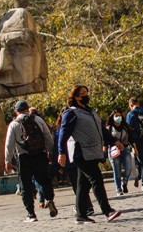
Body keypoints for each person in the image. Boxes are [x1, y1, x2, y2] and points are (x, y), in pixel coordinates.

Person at [57, 85, 123, 224]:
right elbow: (63, 134)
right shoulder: (71, 113)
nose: (86, 96)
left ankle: (81, 215)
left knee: (83, 184)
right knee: (97, 179)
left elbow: (101, 130)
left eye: (87, 93)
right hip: (81, 152)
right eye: (82, 94)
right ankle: (107, 211)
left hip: (92, 151)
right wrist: (61, 152)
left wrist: (114, 141)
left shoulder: (90, 111)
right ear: (75, 97)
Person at [5, 100, 57, 223]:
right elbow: (48, 137)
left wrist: (7, 160)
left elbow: (9, 144)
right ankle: (49, 200)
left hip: (23, 158)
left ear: (16, 111)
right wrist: (51, 153)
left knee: (26, 186)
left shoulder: (14, 124)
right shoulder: (38, 120)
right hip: (40, 155)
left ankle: (31, 214)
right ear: (28, 109)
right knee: (44, 180)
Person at [107, 110, 135, 196]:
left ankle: (125, 183)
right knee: (117, 171)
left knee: (128, 168)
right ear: (112, 117)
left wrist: (135, 149)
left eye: (119, 115)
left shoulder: (125, 127)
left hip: (125, 149)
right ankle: (118, 189)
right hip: (114, 151)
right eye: (116, 116)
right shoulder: (109, 128)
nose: (118, 117)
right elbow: (106, 140)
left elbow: (131, 139)